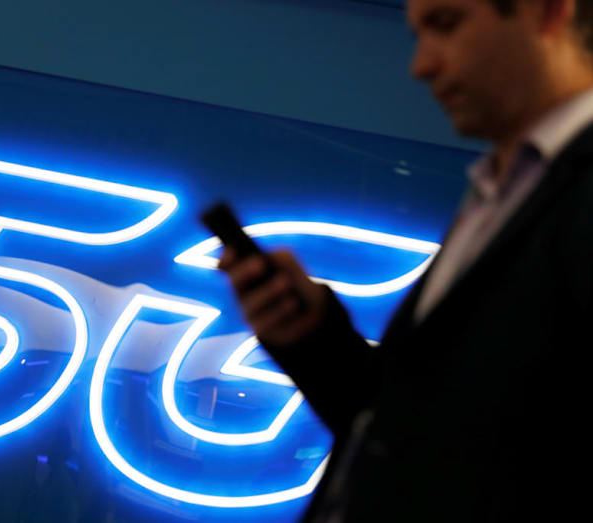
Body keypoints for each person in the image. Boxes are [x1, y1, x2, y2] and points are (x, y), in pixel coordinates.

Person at [218, 0, 593, 521]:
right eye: (418, 34)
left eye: (446, 24)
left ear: (547, 12)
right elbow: (410, 434)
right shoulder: (498, 192)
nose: (421, 65)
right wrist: (312, 336)